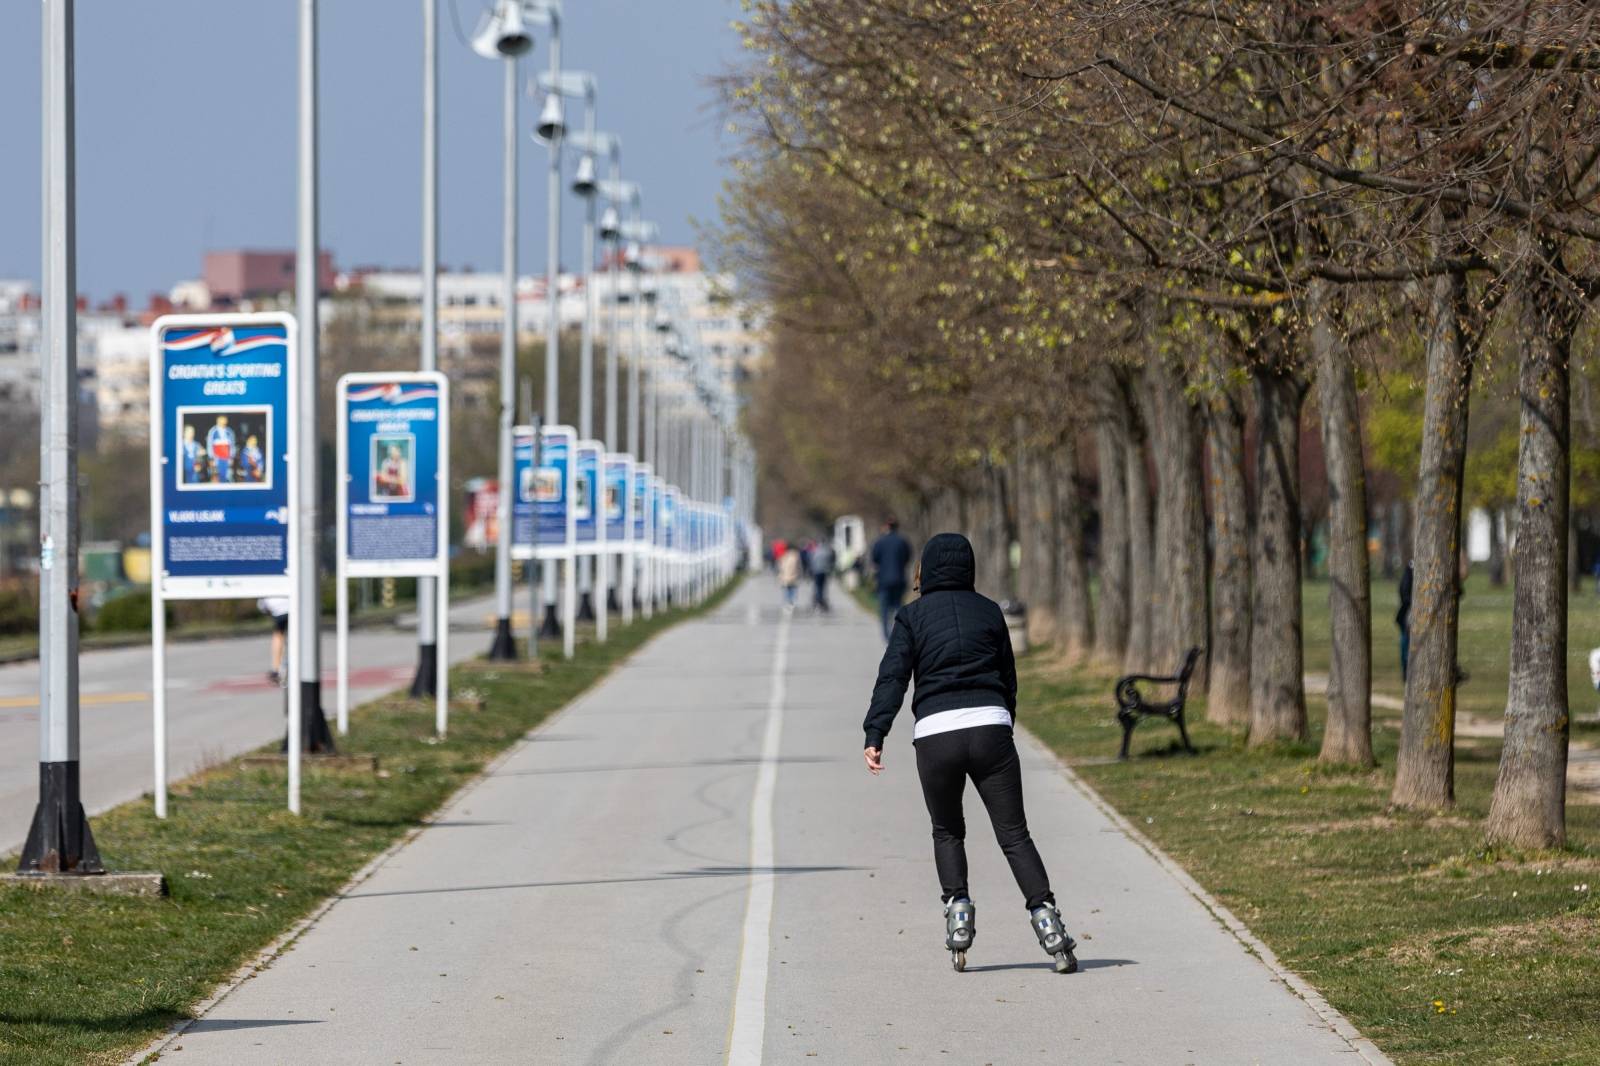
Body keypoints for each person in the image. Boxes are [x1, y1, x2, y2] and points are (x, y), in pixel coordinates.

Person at [861, 532, 1076, 974]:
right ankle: (1048, 922)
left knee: (947, 830)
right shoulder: (989, 612)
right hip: (990, 729)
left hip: (936, 733)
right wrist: (1005, 721)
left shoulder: (912, 616)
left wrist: (875, 732)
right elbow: (1008, 676)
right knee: (1014, 835)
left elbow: (893, 678)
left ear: (927, 569)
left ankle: (958, 915)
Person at [869, 516, 913, 640]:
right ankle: (899, 633)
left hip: (883, 580)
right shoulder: (903, 541)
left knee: (884, 608)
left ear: (886, 527)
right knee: (898, 607)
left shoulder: (879, 541)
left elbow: (875, 559)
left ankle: (886, 635)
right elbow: (907, 558)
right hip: (899, 578)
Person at [258, 596, 290, 686]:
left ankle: (276, 670)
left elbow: (262, 606)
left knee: (278, 635)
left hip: (278, 609)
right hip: (292, 605)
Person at [206, 415, 236, 484]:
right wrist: (211, 458)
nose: (224, 422)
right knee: (216, 479)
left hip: (227, 459)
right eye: (222, 420)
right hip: (217, 459)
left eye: (225, 420)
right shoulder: (213, 431)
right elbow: (209, 445)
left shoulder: (229, 431)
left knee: (228, 478)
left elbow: (232, 445)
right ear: (218, 420)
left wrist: (231, 457)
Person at [809, 536, 836, 613]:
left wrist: (811, 571)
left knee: (817, 587)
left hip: (816, 571)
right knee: (823, 587)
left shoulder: (815, 550)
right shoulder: (828, 550)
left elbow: (811, 560)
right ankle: (821, 601)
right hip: (825, 571)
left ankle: (818, 602)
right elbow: (832, 560)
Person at [1397, 560, 1413, 681]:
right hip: (1409, 611)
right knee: (1405, 641)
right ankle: (1406, 669)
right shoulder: (1411, 569)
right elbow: (1404, 591)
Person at [777, 544, 803, 611]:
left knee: (787, 590)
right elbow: (799, 567)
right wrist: (800, 574)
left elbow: (781, 566)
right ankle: (791, 602)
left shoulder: (784, 556)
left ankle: (787, 602)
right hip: (794, 576)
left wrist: (780, 575)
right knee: (793, 590)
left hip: (785, 576)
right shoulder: (796, 556)